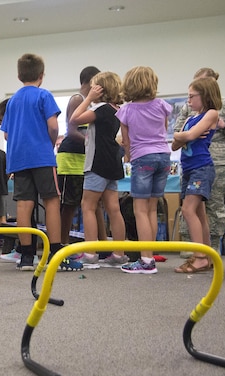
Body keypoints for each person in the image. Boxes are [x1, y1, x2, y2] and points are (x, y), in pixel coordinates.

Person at [1, 53, 82, 271]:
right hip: (42, 157)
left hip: (19, 159)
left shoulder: (13, 101)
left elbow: (7, 135)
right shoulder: (44, 95)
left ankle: (27, 257)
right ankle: (56, 254)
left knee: (23, 205)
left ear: (19, 76)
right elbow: (54, 126)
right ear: (41, 75)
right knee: (52, 201)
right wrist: (49, 142)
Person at [175, 68, 225, 256]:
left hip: (217, 161)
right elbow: (178, 132)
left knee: (214, 206)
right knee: (194, 208)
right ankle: (192, 245)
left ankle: (212, 246)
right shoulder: (190, 108)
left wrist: (224, 125)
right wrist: (182, 135)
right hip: (191, 161)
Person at [116, 66, 172, 274]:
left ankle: (146, 260)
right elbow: (164, 129)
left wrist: (129, 155)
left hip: (143, 158)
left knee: (139, 209)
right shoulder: (162, 105)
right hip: (163, 157)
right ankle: (150, 256)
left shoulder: (126, 110)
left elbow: (127, 141)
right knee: (151, 209)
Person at [69, 71, 129, 269]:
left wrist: (88, 99)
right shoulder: (116, 109)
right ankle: (119, 254)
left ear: (99, 89)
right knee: (113, 208)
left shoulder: (101, 108)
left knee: (88, 206)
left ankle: (90, 253)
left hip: (96, 163)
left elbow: (74, 120)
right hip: (112, 162)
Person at [172, 77, 222, 273]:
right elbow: (176, 143)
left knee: (188, 210)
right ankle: (206, 255)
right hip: (189, 169)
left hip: (202, 167)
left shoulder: (212, 114)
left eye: (192, 96)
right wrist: (181, 135)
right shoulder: (190, 118)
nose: (189, 101)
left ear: (205, 95)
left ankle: (200, 256)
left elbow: (189, 137)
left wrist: (183, 135)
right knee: (199, 213)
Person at [56, 66, 107, 255]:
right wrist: (90, 141)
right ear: (91, 81)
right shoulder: (78, 99)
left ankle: (103, 245)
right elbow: (72, 129)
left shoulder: (95, 104)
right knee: (69, 204)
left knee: (95, 203)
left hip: (88, 159)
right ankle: (62, 244)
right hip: (71, 158)